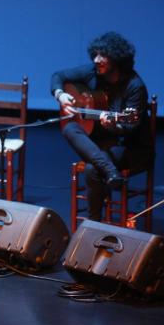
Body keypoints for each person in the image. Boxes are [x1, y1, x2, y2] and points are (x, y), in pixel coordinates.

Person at [51, 31, 154, 221]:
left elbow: (131, 128)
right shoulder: (92, 72)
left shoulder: (135, 86)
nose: (97, 60)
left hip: (131, 147)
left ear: (117, 58)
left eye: (103, 55)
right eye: (95, 55)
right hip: (104, 143)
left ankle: (94, 223)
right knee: (69, 128)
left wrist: (113, 126)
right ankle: (110, 171)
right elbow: (59, 75)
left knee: (91, 169)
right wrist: (61, 95)